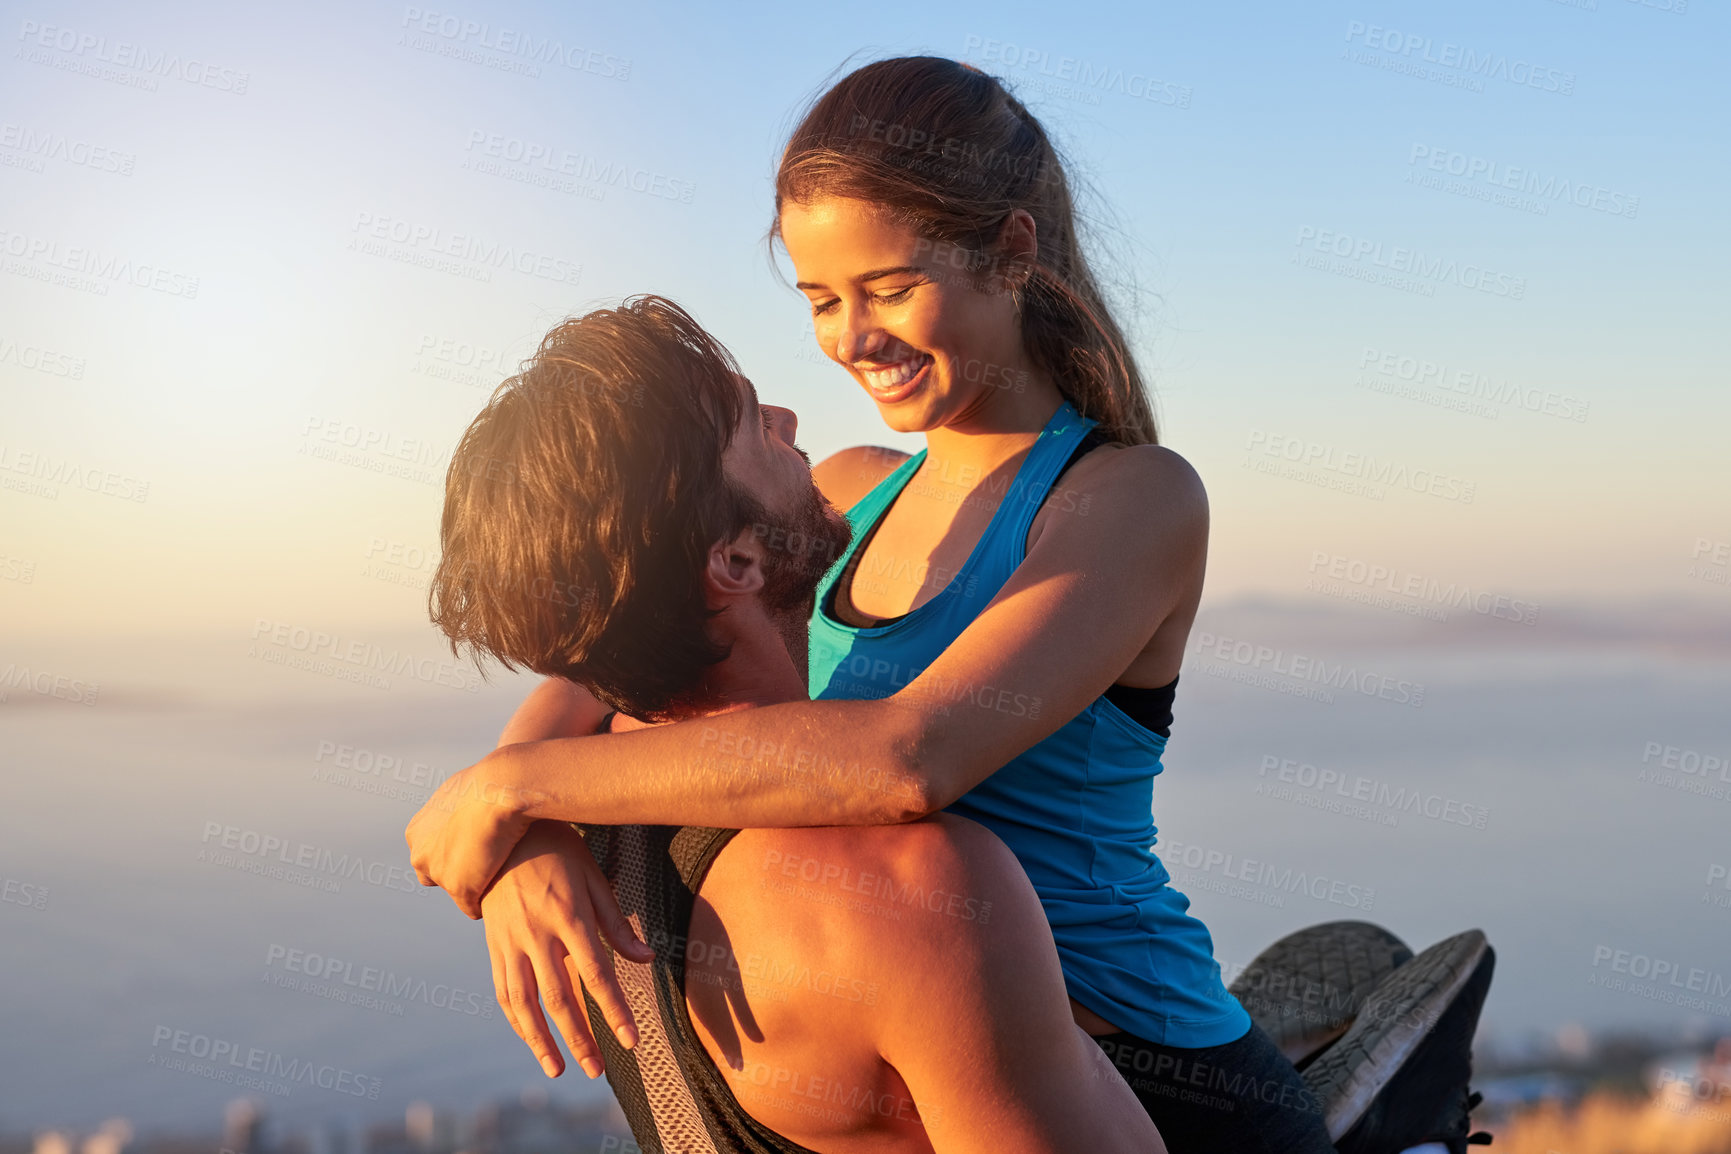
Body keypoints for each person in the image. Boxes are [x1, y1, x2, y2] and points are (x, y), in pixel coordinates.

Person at [410, 56, 1483, 1154]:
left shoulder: (1125, 503)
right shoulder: (845, 491)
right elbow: (611, 646)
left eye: (886, 288)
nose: (847, 340)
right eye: (821, 299)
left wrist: (516, 786)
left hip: (1162, 1075)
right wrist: (528, 836)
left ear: (1012, 253)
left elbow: (909, 756)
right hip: (937, 1047)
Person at [416, 295, 1164, 1153]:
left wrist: (516, 799)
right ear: (734, 562)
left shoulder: (568, 840)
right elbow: (906, 757)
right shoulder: (914, 894)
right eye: (753, 426)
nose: (788, 416)